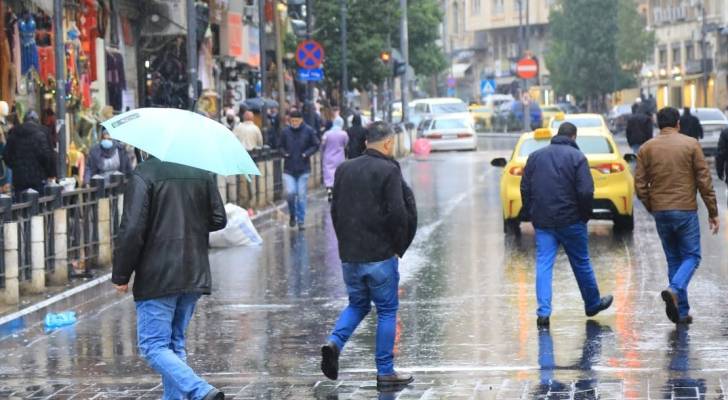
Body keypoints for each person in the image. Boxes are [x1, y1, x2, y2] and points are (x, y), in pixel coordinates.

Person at [112, 154, 227, 400]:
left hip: (157, 275)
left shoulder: (144, 174)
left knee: (153, 346)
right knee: (174, 345)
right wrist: (190, 223)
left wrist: (121, 274)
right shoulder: (200, 171)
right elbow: (218, 218)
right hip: (194, 270)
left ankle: (201, 391)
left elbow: (132, 229)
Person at [322, 121, 417, 389]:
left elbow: (335, 211)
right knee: (387, 310)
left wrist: (345, 245)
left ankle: (334, 342)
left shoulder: (344, 169)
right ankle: (385, 371)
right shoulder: (389, 170)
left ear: (366, 143)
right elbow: (398, 213)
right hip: (380, 256)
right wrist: (398, 247)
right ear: (388, 143)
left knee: (357, 304)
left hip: (350, 256)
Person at [520, 122, 613, 327]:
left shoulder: (535, 157)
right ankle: (592, 304)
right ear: (573, 137)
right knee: (581, 262)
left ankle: (543, 312)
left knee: (544, 263)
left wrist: (530, 213)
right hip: (572, 220)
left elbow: (525, 187)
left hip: (543, 220)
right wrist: (584, 215)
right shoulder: (577, 157)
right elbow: (586, 191)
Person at [635, 107, 718, 325]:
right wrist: (712, 212)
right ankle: (674, 289)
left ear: (658, 124)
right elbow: (704, 181)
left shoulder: (646, 148)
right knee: (692, 256)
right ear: (678, 123)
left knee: (673, 259)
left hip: (661, 211)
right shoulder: (691, 144)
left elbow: (640, 185)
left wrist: (652, 206)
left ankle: (681, 311)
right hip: (685, 210)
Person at [278, 110, 319, 229]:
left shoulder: (309, 131)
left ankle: (301, 220)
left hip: (303, 169)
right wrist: (284, 153)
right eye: (292, 121)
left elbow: (316, 145)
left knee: (301, 195)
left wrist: (306, 154)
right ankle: (292, 215)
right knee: (290, 193)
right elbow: (279, 146)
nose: (294, 123)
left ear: (301, 120)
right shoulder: (285, 132)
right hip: (289, 168)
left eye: (296, 121)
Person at [3, 111, 54, 200]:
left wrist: (16, 166)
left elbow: (6, 156)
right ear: (37, 121)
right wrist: (48, 173)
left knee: (21, 204)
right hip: (38, 179)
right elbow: (47, 156)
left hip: (19, 179)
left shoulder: (13, 132)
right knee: (38, 204)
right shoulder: (42, 133)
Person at [321, 117, 349, 201]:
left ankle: (329, 189)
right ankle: (337, 189)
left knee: (328, 173)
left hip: (328, 156)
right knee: (338, 172)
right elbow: (346, 143)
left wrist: (323, 151)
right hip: (339, 156)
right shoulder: (344, 134)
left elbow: (323, 144)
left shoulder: (327, 133)